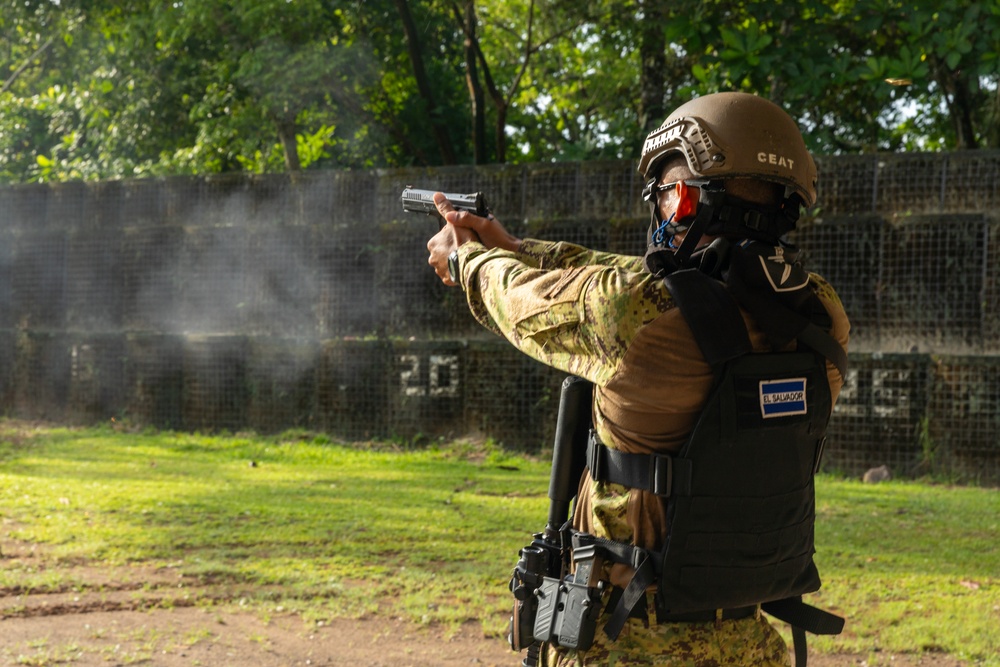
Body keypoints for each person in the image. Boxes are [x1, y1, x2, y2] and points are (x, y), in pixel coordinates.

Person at [426, 91, 850, 667]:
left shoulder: (639, 320)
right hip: (749, 643)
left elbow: (522, 302)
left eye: (668, 196)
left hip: (627, 644)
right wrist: (520, 246)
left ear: (687, 202)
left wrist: (467, 258)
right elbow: (661, 280)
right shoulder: (823, 314)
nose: (662, 212)